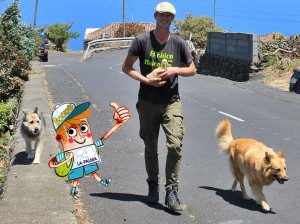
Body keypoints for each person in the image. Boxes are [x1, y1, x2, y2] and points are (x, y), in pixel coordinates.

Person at [122, 2, 196, 212]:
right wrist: (146, 81)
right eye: (161, 15)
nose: (165, 18)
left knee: (175, 144)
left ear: (172, 19)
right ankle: (152, 186)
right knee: (150, 147)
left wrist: (174, 70)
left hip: (171, 101)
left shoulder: (179, 44)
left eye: (169, 16)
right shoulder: (142, 40)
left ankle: (171, 191)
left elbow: (192, 69)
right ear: (155, 16)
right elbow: (127, 67)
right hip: (147, 102)